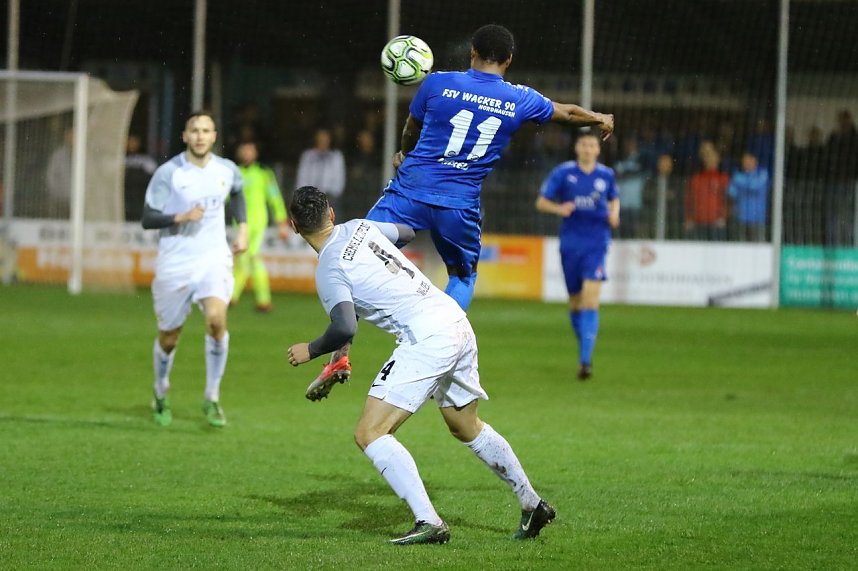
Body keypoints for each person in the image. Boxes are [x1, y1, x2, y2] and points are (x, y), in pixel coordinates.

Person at [312, 24, 614, 391]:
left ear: (472, 51)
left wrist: (405, 155)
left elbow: (412, 127)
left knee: (354, 258)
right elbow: (565, 113)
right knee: (463, 277)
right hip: (459, 205)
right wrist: (599, 118)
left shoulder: (437, 83)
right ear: (509, 60)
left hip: (410, 190)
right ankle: (437, 349)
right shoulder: (519, 98)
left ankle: (339, 354)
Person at [285, 186, 556, 545]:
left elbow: (344, 326)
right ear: (331, 214)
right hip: (453, 319)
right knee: (464, 424)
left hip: (426, 337)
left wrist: (311, 349)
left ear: (294, 227)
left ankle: (428, 521)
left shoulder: (329, 268)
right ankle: (531, 503)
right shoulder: (361, 227)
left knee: (370, 433)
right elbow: (408, 232)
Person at [141, 111, 248, 427]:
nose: (200, 136)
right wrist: (180, 217)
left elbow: (238, 192)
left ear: (214, 136)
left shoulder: (227, 170)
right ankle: (161, 391)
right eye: (194, 130)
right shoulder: (169, 173)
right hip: (175, 262)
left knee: (217, 322)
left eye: (206, 130)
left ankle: (212, 397)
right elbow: (147, 217)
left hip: (213, 259)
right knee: (170, 337)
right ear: (184, 136)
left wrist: (241, 228)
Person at [535, 132, 619, 380]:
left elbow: (615, 198)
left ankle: (585, 361)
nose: (588, 148)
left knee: (590, 302)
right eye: (583, 144)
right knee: (575, 302)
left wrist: (615, 213)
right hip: (570, 245)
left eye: (592, 144)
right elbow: (541, 202)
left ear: (598, 150)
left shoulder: (606, 175)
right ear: (576, 147)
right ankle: (585, 343)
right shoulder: (563, 173)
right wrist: (559, 208)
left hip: (597, 243)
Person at [231, 141, 289, 312]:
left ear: (255, 153)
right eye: (244, 150)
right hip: (240, 223)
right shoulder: (235, 173)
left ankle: (238, 297)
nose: (247, 154)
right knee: (245, 259)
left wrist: (281, 221)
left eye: (250, 150)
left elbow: (274, 197)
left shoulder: (264, 173)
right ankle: (257, 299)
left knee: (251, 257)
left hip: (257, 223)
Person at [684, 142, 728, 241]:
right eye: (707, 157)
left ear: (718, 159)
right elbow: (689, 200)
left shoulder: (723, 179)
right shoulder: (696, 179)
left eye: (713, 157)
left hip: (717, 223)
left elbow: (727, 200)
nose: (710, 160)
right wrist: (689, 218)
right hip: (698, 222)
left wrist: (723, 217)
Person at [295, 127, 346, 210]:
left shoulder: (336, 157)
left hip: (330, 200)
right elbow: (301, 179)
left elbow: (339, 184)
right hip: (309, 199)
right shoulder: (308, 156)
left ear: (330, 139)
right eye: (320, 138)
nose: (323, 141)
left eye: (325, 138)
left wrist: (325, 197)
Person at [728, 151, 770, 242]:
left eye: (748, 160)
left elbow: (756, 186)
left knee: (759, 246)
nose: (746, 163)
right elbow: (731, 192)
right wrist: (746, 184)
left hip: (758, 218)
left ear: (755, 161)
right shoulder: (738, 175)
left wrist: (741, 182)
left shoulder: (762, 173)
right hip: (741, 218)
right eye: (744, 161)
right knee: (740, 246)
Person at [124, 134, 158, 221]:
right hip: (124, 201)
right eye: (129, 141)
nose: (131, 144)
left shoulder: (146, 161)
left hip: (139, 201)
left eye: (134, 141)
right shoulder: (119, 159)